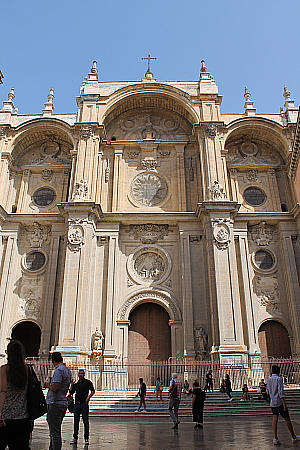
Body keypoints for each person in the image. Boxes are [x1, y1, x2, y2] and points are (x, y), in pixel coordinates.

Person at [0, 340, 31, 450]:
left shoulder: (4, 369)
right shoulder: (27, 369)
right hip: (22, 418)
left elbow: (3, 391)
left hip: (5, 418)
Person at [44, 352, 72, 450]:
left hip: (55, 403)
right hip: (62, 402)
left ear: (52, 361)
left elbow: (56, 388)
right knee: (55, 430)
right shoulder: (67, 370)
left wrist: (47, 385)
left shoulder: (58, 370)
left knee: (55, 433)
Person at [266, 365, 300, 445]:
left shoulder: (269, 380)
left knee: (274, 420)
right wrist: (284, 404)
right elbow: (280, 392)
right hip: (279, 402)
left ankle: (275, 438)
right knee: (287, 419)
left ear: (272, 371)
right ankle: (293, 437)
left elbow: (267, 391)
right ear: (279, 371)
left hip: (273, 403)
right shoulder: (279, 379)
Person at [69, 369, 95, 446]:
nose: (80, 375)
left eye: (82, 373)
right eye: (79, 373)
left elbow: (93, 390)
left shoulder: (87, 382)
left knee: (85, 421)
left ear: (84, 374)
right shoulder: (76, 384)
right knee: (76, 422)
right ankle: (75, 438)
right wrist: (71, 384)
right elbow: (71, 392)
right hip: (77, 404)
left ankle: (86, 438)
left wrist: (88, 397)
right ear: (78, 374)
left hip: (84, 404)